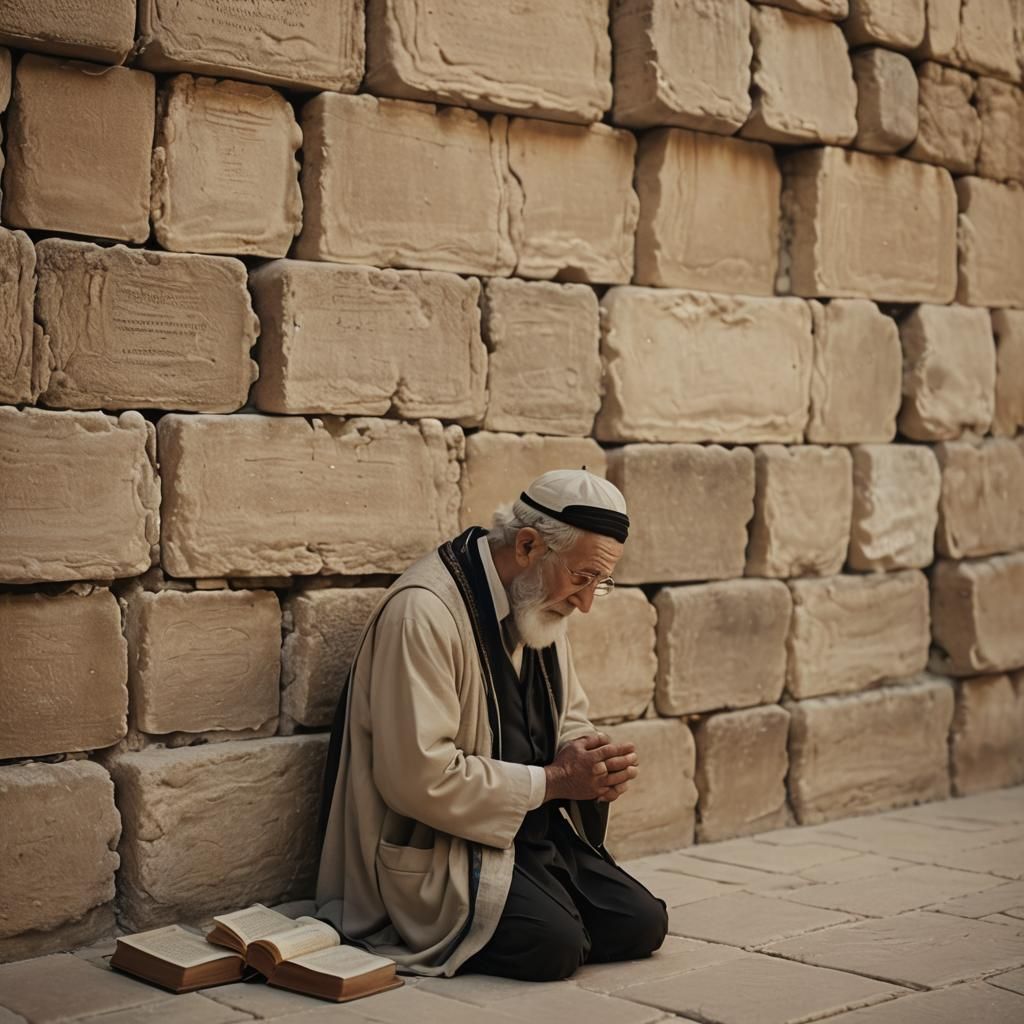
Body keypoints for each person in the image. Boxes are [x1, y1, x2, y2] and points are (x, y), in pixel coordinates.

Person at [316, 469, 667, 980]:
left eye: (601, 582)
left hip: (527, 832)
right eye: (583, 577)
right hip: (442, 847)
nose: (586, 602)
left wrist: (591, 763)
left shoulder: (537, 599)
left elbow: (569, 716)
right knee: (555, 947)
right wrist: (554, 781)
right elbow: (417, 777)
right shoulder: (425, 612)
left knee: (642, 923)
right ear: (528, 545)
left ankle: (552, 906)